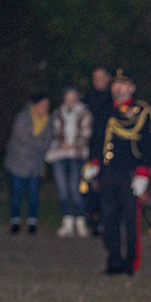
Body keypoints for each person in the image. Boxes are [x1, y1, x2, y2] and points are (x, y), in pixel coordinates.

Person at [82, 69, 151, 275]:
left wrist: (143, 173)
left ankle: (130, 263)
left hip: (130, 173)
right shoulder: (104, 109)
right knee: (109, 218)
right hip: (107, 172)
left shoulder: (142, 112)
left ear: (132, 88)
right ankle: (113, 260)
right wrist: (94, 162)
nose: (118, 88)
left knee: (131, 221)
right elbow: (97, 139)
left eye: (123, 84)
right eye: (115, 84)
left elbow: (148, 144)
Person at [47, 87, 93, 237]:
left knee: (76, 188)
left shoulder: (84, 112)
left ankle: (80, 222)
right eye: (68, 96)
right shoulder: (58, 113)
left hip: (77, 154)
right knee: (62, 188)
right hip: (60, 153)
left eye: (73, 96)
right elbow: (53, 131)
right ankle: (67, 222)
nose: (70, 99)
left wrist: (74, 145)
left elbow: (86, 132)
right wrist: (62, 144)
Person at [4, 92, 53, 234]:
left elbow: (47, 143)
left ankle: (32, 222)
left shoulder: (48, 122)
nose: (44, 108)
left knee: (33, 194)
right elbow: (19, 136)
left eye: (47, 105)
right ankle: (15, 221)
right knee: (16, 193)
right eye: (42, 104)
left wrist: (32, 137)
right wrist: (38, 140)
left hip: (36, 165)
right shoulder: (23, 116)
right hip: (17, 163)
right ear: (35, 105)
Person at [82, 67, 113, 236]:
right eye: (95, 78)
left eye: (101, 77)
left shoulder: (112, 99)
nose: (97, 81)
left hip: (108, 151)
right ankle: (91, 220)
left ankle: (103, 222)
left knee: (105, 186)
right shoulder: (89, 98)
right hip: (92, 150)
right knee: (90, 185)